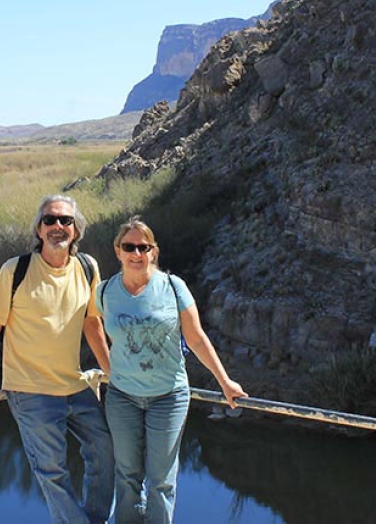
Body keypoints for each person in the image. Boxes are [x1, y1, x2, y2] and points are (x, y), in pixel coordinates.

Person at [0, 194, 114, 524]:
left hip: (75, 385)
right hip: (30, 390)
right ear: (39, 229)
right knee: (52, 472)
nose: (58, 226)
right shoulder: (15, 270)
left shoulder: (87, 267)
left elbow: (92, 323)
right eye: (49, 220)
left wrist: (113, 372)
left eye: (66, 220)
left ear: (76, 230)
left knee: (107, 452)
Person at [87, 216, 248, 524]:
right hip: (122, 397)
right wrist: (108, 366)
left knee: (160, 480)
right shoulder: (105, 292)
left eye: (143, 247)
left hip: (168, 397)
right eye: (129, 247)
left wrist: (225, 382)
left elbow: (196, 338)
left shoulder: (174, 287)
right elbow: (91, 323)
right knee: (127, 476)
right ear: (118, 251)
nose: (136, 254)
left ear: (154, 251)